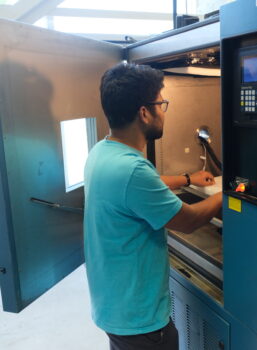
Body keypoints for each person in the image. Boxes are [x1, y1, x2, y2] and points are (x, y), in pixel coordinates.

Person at [84, 63, 222, 350]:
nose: (163, 111)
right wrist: (231, 192)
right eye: (161, 103)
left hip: (114, 305)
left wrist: (187, 178)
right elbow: (189, 221)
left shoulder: (103, 152)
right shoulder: (133, 170)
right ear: (144, 113)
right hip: (140, 322)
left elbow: (139, 186)